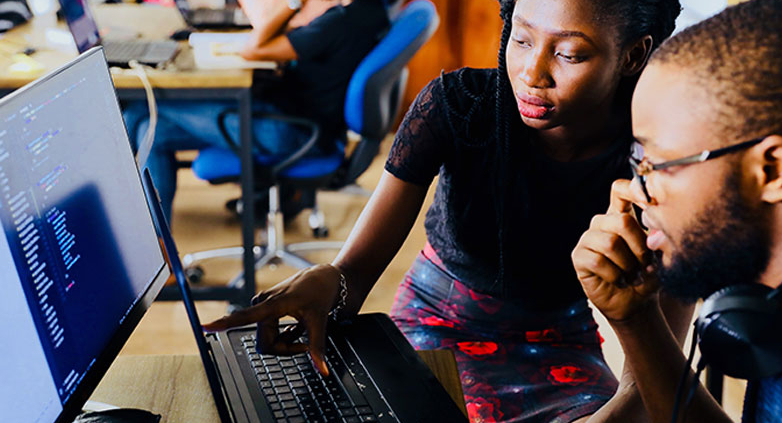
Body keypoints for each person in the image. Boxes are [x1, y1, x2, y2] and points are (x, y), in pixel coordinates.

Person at [204, 0, 689, 421]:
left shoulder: (659, 161)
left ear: (633, 54)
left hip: (559, 343)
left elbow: (650, 378)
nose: (531, 73)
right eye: (520, 40)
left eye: (568, 53)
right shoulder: (459, 108)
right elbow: (353, 273)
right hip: (434, 323)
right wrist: (330, 282)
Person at [571, 0, 782, 422]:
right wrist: (636, 321)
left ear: (772, 171)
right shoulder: (774, 309)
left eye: (658, 165)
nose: (633, 190)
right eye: (636, 161)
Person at [123, 0, 390, 221]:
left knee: (141, 108)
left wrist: (293, 3)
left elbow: (254, 49)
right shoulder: (371, 13)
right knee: (152, 131)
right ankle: (162, 254)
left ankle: (130, 233)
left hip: (288, 131)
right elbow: (293, 34)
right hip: (300, 122)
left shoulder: (338, 24)